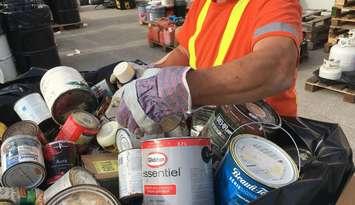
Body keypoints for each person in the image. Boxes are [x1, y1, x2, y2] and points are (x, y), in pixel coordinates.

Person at [116, 0, 302, 135]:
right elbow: (187, 51)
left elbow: (277, 67)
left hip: (262, 137)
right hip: (209, 128)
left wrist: (180, 88)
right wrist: (152, 75)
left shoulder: (275, 3)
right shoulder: (203, 3)